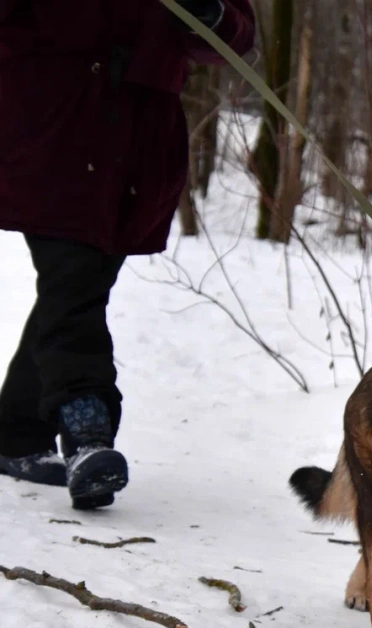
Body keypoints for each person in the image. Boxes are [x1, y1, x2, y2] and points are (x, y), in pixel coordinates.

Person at [0, 0, 255, 509]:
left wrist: (206, 11)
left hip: (136, 144)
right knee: (73, 278)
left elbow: (233, 36)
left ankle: (17, 433)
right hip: (51, 129)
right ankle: (86, 427)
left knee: (80, 285)